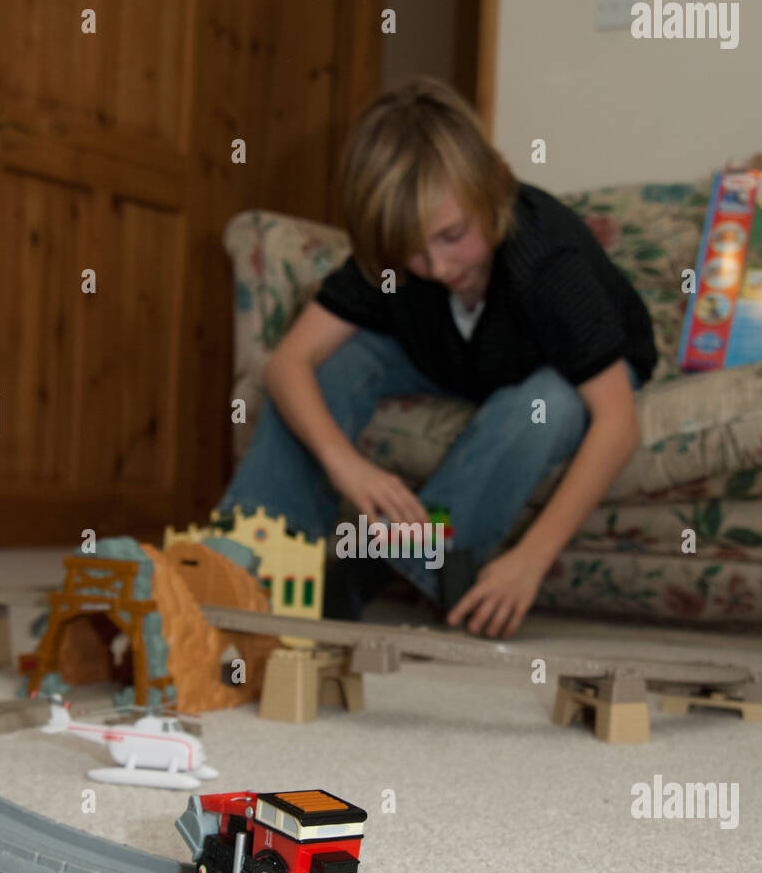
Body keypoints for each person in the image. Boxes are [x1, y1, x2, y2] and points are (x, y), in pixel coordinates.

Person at [218, 76, 656, 638]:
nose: (439, 266)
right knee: (335, 363)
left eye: (452, 236)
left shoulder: (547, 260)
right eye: (413, 252)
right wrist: (344, 463)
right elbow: (287, 363)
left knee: (543, 404)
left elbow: (618, 425)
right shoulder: (397, 262)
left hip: (562, 368)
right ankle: (251, 558)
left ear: (492, 188)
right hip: (453, 355)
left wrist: (531, 560)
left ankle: (389, 561)